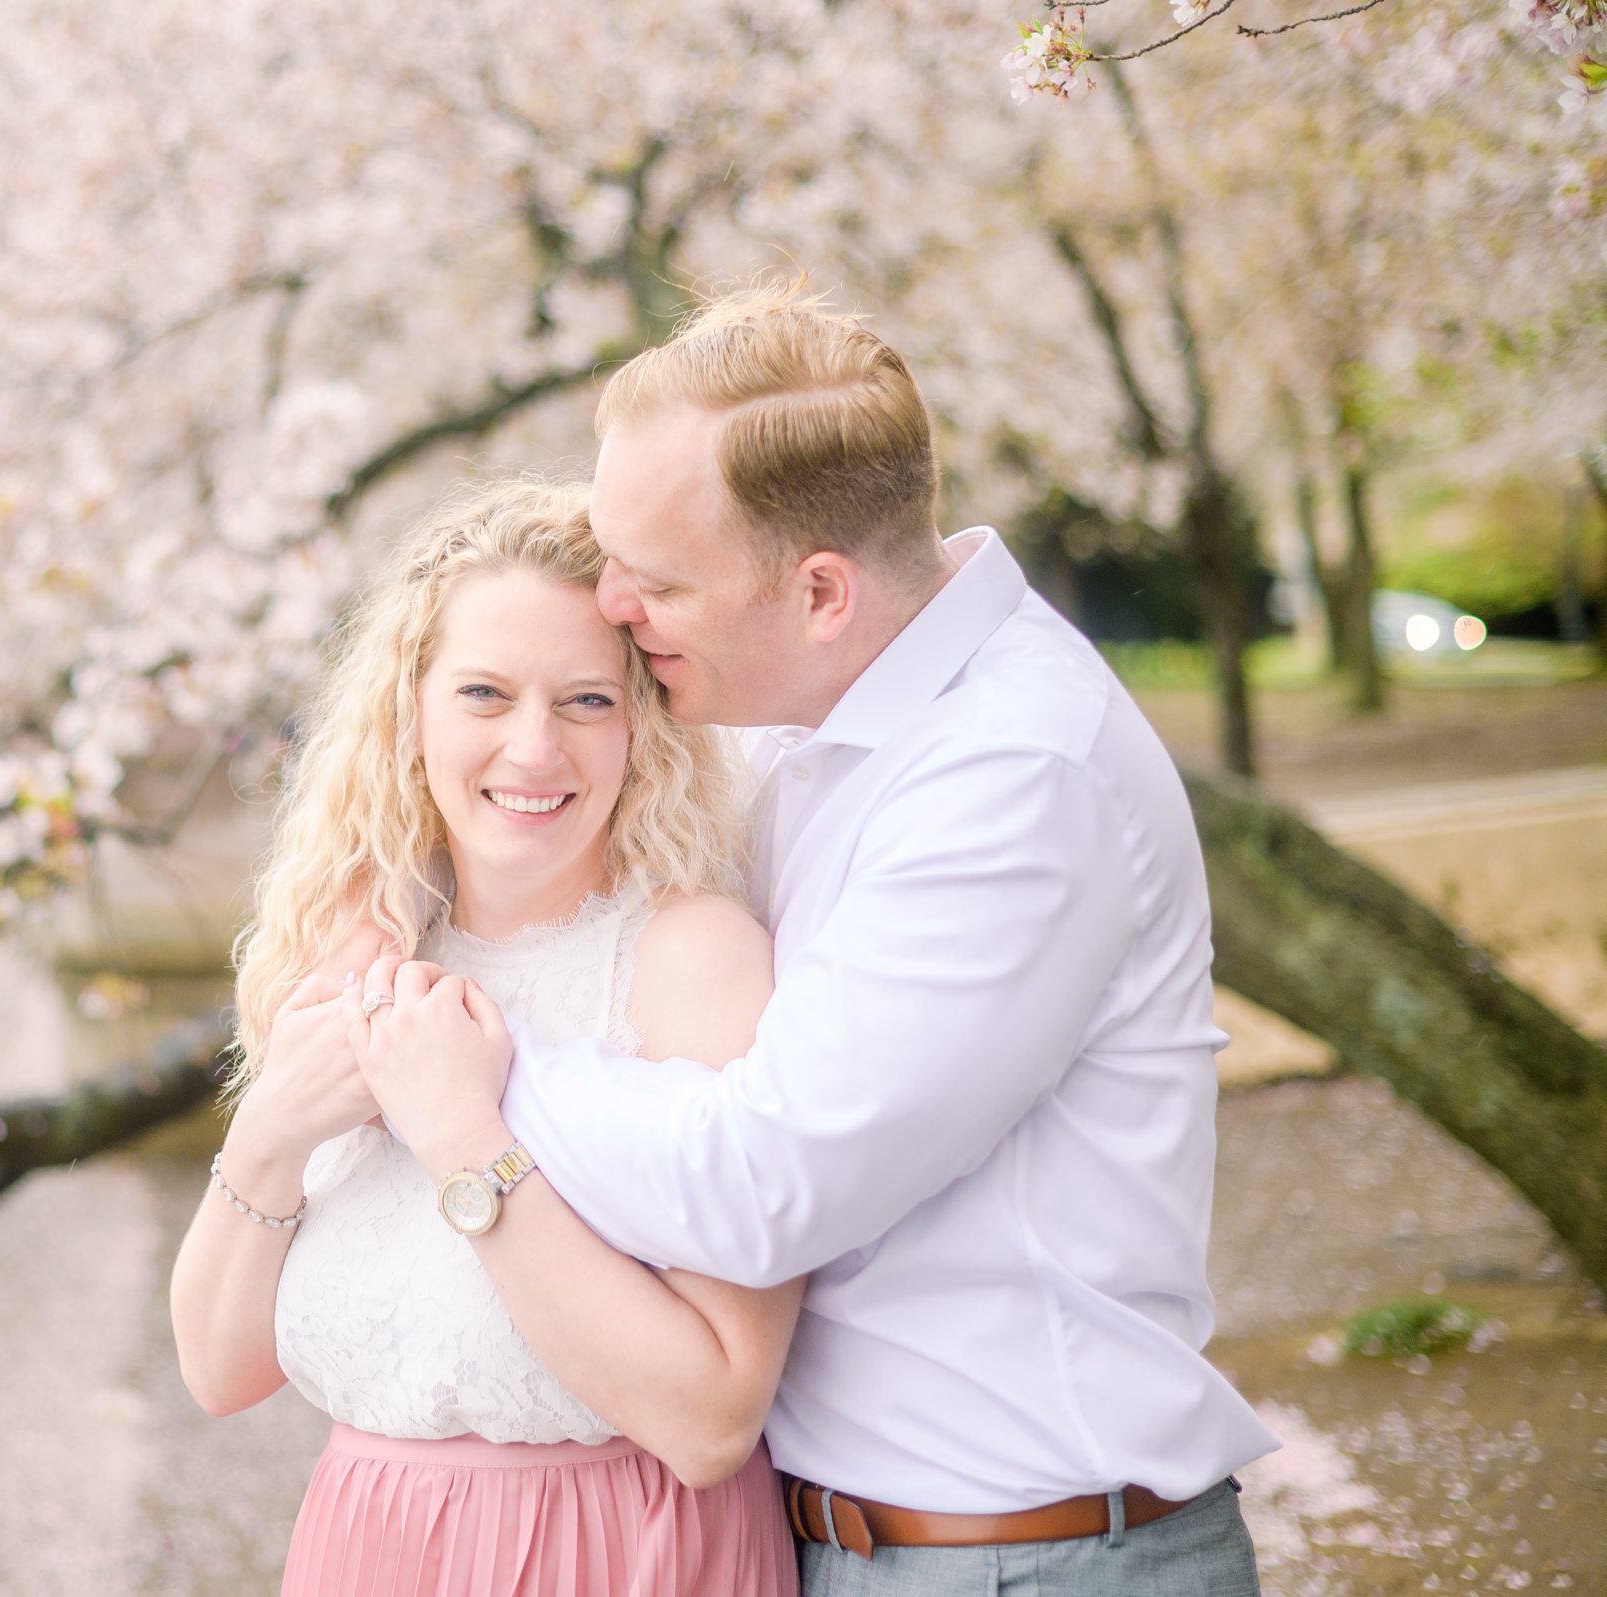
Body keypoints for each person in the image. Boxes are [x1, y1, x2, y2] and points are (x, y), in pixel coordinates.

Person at [355, 281, 1281, 1597]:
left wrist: (475, 1082)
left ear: (822, 591)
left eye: (657, 578)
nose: (614, 606)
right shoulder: (794, 703)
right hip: (845, 1550)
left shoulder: (1014, 778)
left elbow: (762, 1185)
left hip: (1037, 1560)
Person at [167, 479, 799, 1595]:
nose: (533, 748)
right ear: (410, 711)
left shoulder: (697, 963)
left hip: (621, 1557)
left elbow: (710, 1420)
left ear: (642, 719)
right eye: (484, 693)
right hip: (365, 1548)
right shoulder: (354, 952)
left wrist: (464, 1135)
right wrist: (270, 1131)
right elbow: (220, 1371)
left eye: (586, 701)